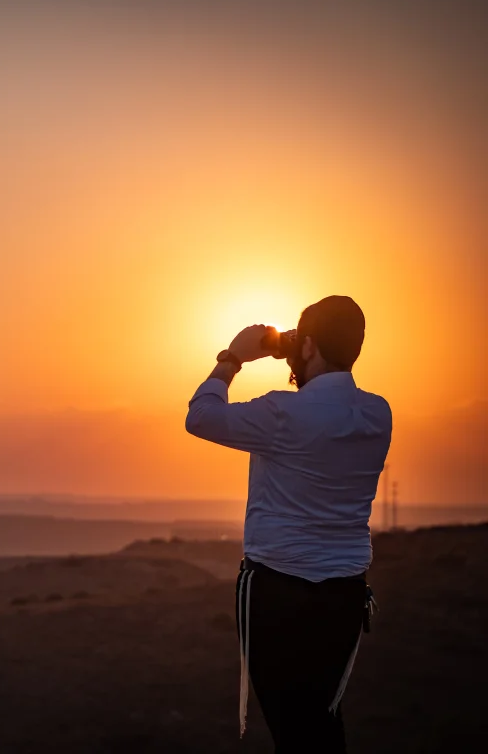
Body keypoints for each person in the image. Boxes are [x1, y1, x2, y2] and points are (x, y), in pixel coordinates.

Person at [185, 295, 392, 753]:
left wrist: (232, 358)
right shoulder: (378, 414)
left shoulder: (281, 413)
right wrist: (301, 349)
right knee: (321, 718)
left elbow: (199, 417)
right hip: (345, 594)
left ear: (311, 345)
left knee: (291, 729)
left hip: (276, 591)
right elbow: (324, 401)